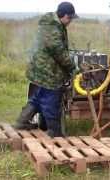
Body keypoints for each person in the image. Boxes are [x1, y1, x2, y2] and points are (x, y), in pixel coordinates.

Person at [14, 2, 78, 137]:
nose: (70, 21)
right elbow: (59, 52)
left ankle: (22, 122)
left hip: (41, 69)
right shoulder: (53, 29)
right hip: (48, 72)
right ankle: (55, 132)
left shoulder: (52, 24)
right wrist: (73, 67)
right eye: (70, 18)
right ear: (65, 16)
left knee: (38, 97)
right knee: (51, 100)